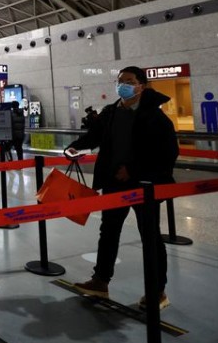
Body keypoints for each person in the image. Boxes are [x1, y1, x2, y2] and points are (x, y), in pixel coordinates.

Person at [64, 66, 178, 309]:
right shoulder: (112, 112)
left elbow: (166, 155)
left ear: (142, 86)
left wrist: (134, 170)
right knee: (109, 231)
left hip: (144, 185)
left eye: (129, 81)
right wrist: (75, 147)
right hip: (114, 183)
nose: (122, 85)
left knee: (150, 236)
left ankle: (158, 292)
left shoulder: (156, 118)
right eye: (120, 81)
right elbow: (94, 137)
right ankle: (100, 281)